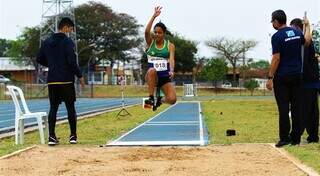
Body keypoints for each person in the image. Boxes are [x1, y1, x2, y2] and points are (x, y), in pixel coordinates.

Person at [36, 17, 85, 146]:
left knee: (53, 108)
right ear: (65, 27)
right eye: (70, 29)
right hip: (66, 80)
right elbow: (72, 61)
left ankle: (51, 137)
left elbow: (39, 58)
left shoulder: (47, 42)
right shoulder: (68, 42)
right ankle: (73, 136)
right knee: (70, 108)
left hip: (52, 81)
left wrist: (52, 64)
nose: (70, 32)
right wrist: (80, 76)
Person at [266, 10, 311, 147]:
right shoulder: (297, 33)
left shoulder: (277, 36)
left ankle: (284, 138)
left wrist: (270, 77)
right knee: (297, 108)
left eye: (272, 21)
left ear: (275, 21)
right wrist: (308, 27)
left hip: (282, 77)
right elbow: (307, 42)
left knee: (284, 109)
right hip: (297, 75)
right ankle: (296, 138)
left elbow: (276, 58)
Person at [290, 18, 319, 143]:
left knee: (304, 110)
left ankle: (297, 135)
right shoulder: (303, 43)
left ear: (297, 28)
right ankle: (313, 136)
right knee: (312, 111)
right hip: (311, 82)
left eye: (293, 28)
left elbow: (307, 40)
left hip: (307, 83)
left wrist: (307, 26)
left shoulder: (304, 43)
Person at [144, 6, 177, 109]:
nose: (157, 34)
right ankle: (151, 98)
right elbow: (146, 32)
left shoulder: (170, 45)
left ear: (164, 33)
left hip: (164, 77)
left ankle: (160, 100)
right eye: (155, 32)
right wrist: (154, 16)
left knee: (172, 100)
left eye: (159, 32)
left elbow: (171, 59)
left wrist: (171, 70)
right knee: (152, 70)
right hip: (151, 77)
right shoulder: (150, 43)